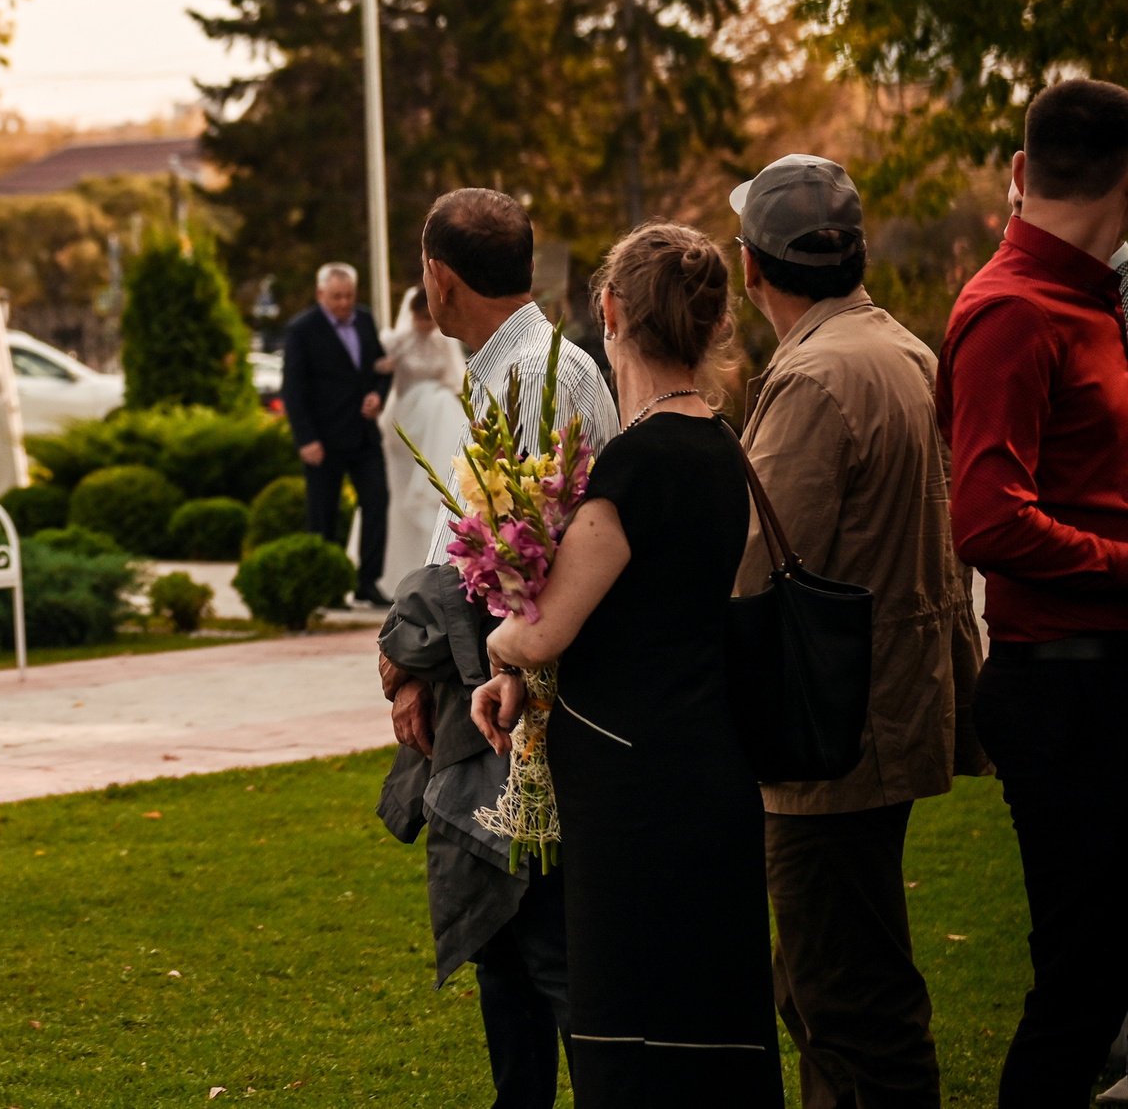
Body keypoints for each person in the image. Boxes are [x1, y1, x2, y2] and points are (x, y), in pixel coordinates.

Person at [472, 222, 782, 1108]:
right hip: (710, 761)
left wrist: (499, 645)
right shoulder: (723, 445)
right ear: (715, 325)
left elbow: (544, 632)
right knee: (714, 1020)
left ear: (608, 311)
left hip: (634, 784)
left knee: (634, 1028)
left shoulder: (638, 461)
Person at [731, 154, 985, 1109]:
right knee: (829, 987)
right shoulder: (906, 350)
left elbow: (754, 566)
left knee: (848, 1000)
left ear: (753, 268)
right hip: (890, 705)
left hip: (832, 736)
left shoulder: (815, 376)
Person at [375, 188, 616, 1109]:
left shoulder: (539, 376)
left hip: (526, 698)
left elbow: (511, 558)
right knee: (504, 945)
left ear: (440, 276)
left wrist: (425, 665)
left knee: (537, 937)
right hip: (489, 680)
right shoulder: (507, 365)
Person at [937, 77, 1128, 1106]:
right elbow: (988, 521)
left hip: (1100, 678)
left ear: (1019, 172)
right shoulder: (1015, 309)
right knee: (1079, 991)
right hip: (1064, 690)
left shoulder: (1090, 301)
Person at [281, 262, 391, 606]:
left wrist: (378, 394)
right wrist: (305, 439)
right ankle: (326, 587)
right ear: (320, 294)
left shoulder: (365, 319)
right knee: (323, 514)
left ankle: (368, 582)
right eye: (336, 297)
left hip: (363, 436)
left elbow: (381, 367)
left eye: (349, 296)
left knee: (377, 502)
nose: (344, 303)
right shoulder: (301, 329)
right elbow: (292, 390)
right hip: (323, 439)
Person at [379, 285, 468, 596]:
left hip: (435, 417)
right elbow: (382, 377)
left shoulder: (442, 342)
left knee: (443, 404)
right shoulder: (395, 342)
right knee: (399, 495)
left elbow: (454, 378)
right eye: (421, 319)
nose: (425, 325)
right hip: (406, 417)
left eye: (429, 319)